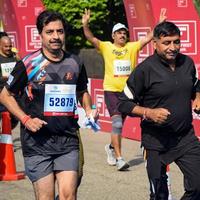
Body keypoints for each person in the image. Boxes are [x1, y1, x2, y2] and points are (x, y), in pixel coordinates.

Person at [0, 10, 98, 200]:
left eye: (59, 31)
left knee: (68, 195)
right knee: (45, 197)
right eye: (50, 32)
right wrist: (26, 119)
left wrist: (89, 108)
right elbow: (5, 95)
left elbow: (82, 91)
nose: (55, 36)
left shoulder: (75, 62)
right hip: (37, 143)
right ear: (41, 34)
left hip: (67, 140)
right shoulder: (27, 64)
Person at [118, 21, 200, 199]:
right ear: (155, 43)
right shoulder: (144, 70)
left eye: (176, 42)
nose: (173, 47)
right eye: (167, 42)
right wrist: (149, 113)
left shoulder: (187, 63)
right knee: (159, 195)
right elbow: (123, 103)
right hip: (156, 142)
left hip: (185, 137)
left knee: (198, 187)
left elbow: (196, 85)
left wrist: (198, 98)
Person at [82, 8, 167, 171]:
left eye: (124, 33)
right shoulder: (106, 47)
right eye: (119, 33)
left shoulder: (133, 47)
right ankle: (120, 159)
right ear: (113, 36)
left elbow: (149, 37)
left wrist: (159, 24)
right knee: (117, 123)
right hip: (111, 91)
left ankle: (111, 148)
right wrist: (85, 25)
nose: (122, 35)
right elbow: (90, 38)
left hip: (128, 93)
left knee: (121, 124)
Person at [0, 32, 19, 129]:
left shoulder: (15, 56)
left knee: (15, 118)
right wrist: (2, 78)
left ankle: (6, 132)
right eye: (6, 46)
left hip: (13, 93)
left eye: (10, 46)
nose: (8, 48)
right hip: (1, 93)